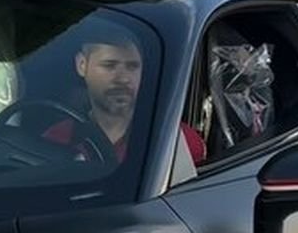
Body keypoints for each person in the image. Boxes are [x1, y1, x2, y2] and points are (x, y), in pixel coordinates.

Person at [43, 18, 206, 166]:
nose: (122, 79)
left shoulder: (177, 143)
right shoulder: (58, 138)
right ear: (82, 65)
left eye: (132, 66)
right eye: (109, 65)